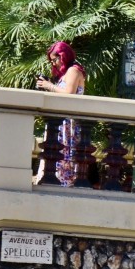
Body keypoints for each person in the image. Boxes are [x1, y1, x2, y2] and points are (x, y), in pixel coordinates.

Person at [34, 40, 88, 185]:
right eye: (51, 61)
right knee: (55, 154)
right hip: (60, 121)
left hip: (68, 122)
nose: (54, 63)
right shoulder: (65, 73)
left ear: (63, 55)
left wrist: (49, 86)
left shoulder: (74, 70)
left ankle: (64, 183)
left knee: (64, 155)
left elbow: (69, 93)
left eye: (55, 59)